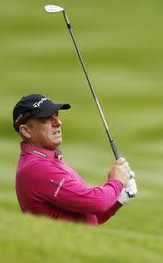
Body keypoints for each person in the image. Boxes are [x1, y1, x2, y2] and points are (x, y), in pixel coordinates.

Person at [12, 94, 137, 226]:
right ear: (26, 131)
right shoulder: (36, 168)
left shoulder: (48, 161)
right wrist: (116, 182)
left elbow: (89, 219)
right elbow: (96, 203)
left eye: (56, 115)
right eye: (46, 118)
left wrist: (119, 198)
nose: (58, 122)